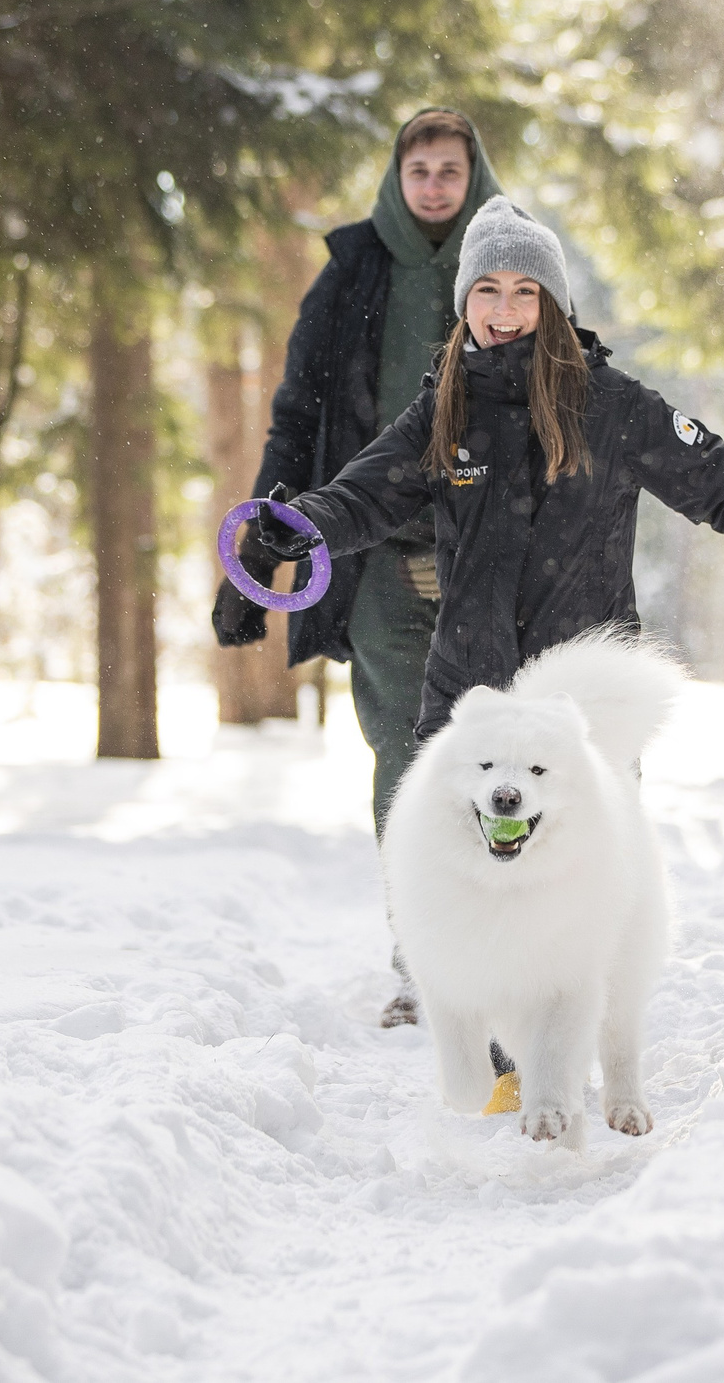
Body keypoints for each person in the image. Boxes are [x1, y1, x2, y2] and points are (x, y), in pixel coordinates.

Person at [245, 192, 724, 755]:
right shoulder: (443, 408)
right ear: (465, 301)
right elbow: (362, 496)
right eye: (487, 290)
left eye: (523, 292)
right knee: (476, 900)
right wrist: (301, 524)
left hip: (588, 706)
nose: (504, 312)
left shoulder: (614, 407)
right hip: (471, 704)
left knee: (580, 898)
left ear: (553, 304)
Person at [212, 107, 500, 1025]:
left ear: (473, 175)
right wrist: (259, 546)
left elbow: (566, 403)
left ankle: (503, 950)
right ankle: (425, 958)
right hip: (372, 549)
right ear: (397, 176)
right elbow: (299, 418)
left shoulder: (513, 267)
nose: (434, 187)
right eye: (419, 170)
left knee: (493, 754)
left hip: (484, 552)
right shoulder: (351, 275)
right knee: (404, 757)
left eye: (450, 170)